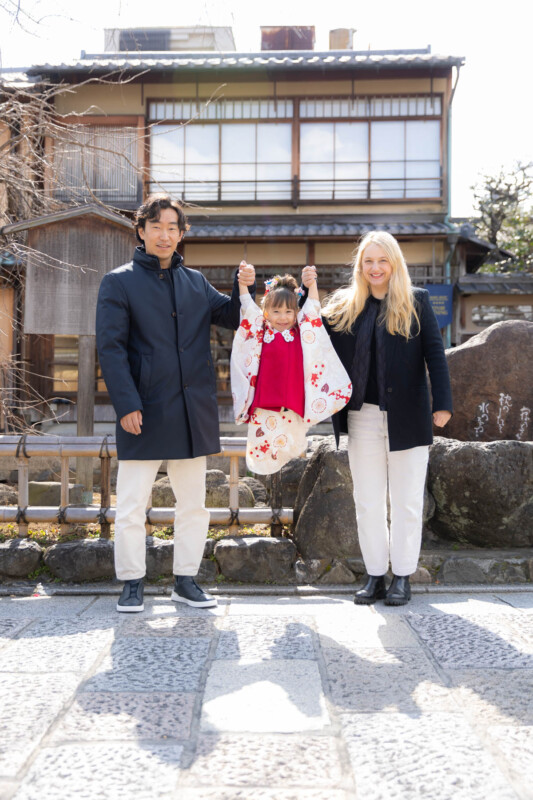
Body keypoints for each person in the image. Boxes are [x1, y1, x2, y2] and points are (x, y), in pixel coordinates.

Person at [96, 194, 255, 613]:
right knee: (132, 504)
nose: (164, 235)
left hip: (190, 410)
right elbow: (110, 349)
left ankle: (185, 581)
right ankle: (132, 582)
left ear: (182, 233)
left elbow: (233, 317)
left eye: (172, 228)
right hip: (143, 410)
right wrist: (126, 404)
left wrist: (243, 287)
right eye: (156, 227)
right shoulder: (119, 282)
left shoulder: (195, 282)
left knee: (194, 504)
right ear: (141, 230)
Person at [318, 231, 452, 606]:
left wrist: (443, 403)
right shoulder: (346, 306)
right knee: (368, 500)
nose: (375, 268)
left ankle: (402, 576)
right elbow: (314, 337)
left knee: (406, 501)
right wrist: (304, 294)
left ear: (394, 263)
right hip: (361, 416)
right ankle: (375, 574)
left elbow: (435, 354)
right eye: (368, 261)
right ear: (360, 266)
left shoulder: (416, 301)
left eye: (382, 260)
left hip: (407, 415)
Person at [231, 268, 351, 474]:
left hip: (293, 405)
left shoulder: (302, 331)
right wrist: (243, 283)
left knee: (293, 452)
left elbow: (313, 306)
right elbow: (247, 306)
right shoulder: (260, 331)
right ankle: (268, 481)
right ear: (266, 313)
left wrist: (311, 283)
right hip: (264, 404)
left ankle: (287, 480)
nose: (283, 317)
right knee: (263, 451)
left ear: (296, 313)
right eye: (276, 311)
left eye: (288, 311)